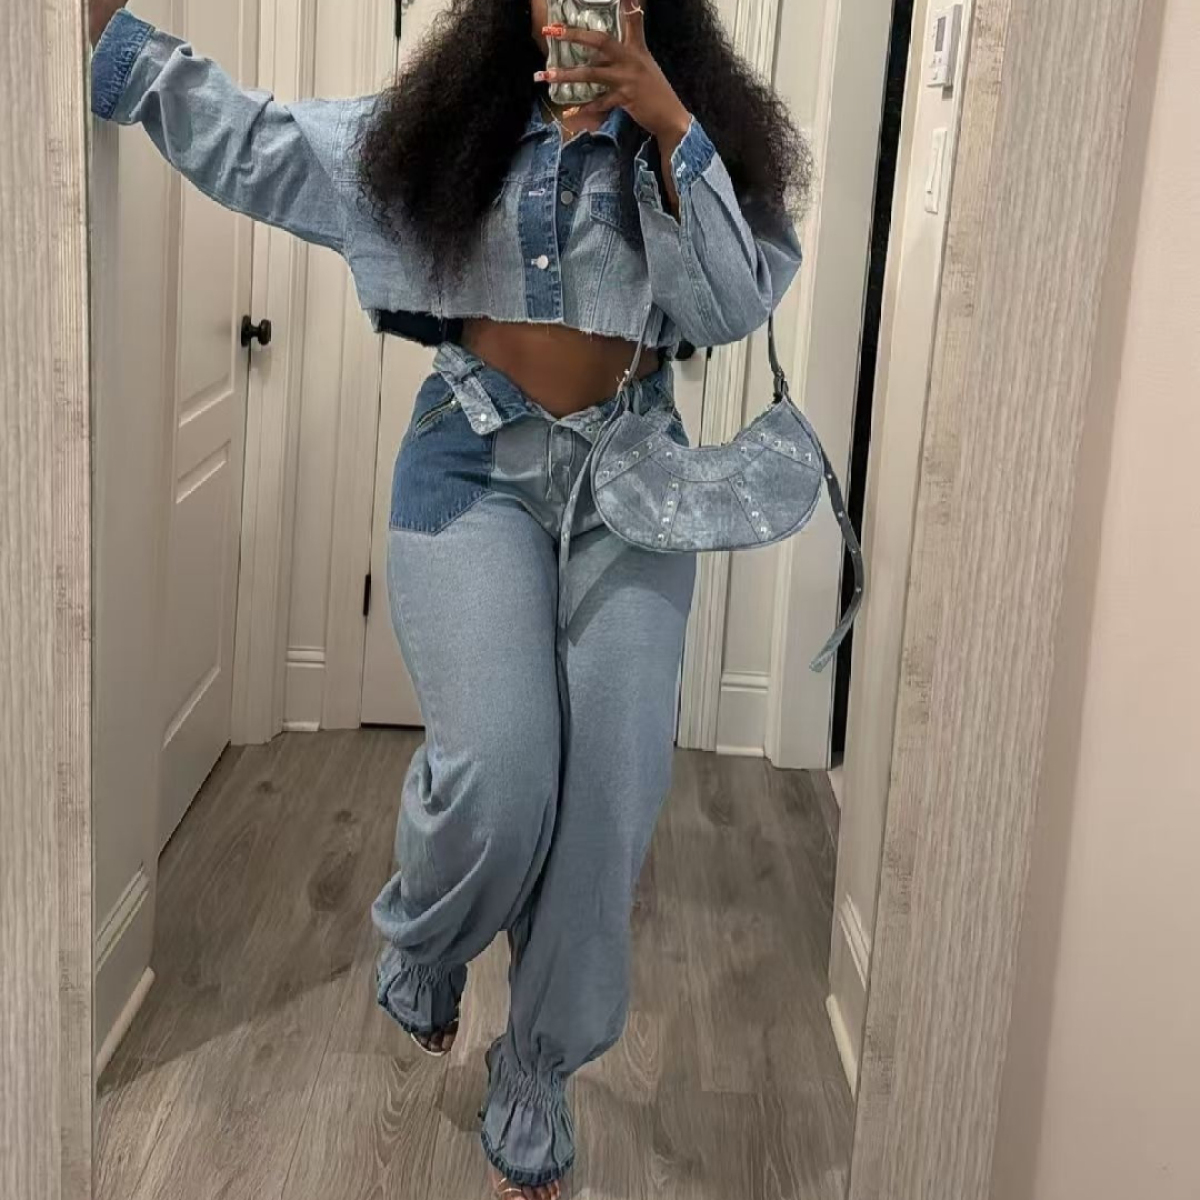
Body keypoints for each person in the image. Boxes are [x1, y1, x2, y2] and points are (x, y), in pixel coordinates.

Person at [89, 0, 809, 1194]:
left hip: (636, 483)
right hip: (471, 468)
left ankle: (535, 1073)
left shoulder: (686, 138)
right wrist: (119, 47)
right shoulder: (443, 130)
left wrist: (664, 115)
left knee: (610, 801)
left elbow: (733, 307)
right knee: (499, 772)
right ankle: (424, 944)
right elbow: (265, 145)